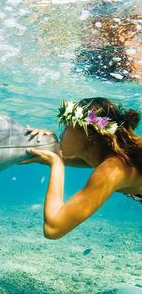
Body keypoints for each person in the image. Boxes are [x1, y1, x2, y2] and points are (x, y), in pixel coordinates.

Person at [20, 97, 142, 239]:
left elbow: (53, 229)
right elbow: (54, 154)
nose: (61, 134)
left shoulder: (113, 169)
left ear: (89, 134)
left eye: (66, 127)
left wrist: (57, 165)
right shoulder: (105, 153)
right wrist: (43, 141)